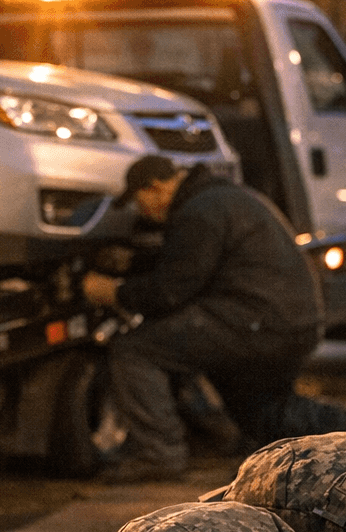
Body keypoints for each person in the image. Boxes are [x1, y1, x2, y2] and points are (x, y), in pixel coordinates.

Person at [80, 155, 331, 482]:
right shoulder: (217, 197)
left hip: (260, 322)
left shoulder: (198, 211)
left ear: (156, 189)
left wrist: (113, 292)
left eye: (140, 202)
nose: (142, 212)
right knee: (259, 411)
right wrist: (134, 263)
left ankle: (158, 454)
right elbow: (190, 263)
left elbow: (171, 291)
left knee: (135, 349)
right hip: (286, 320)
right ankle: (220, 436)